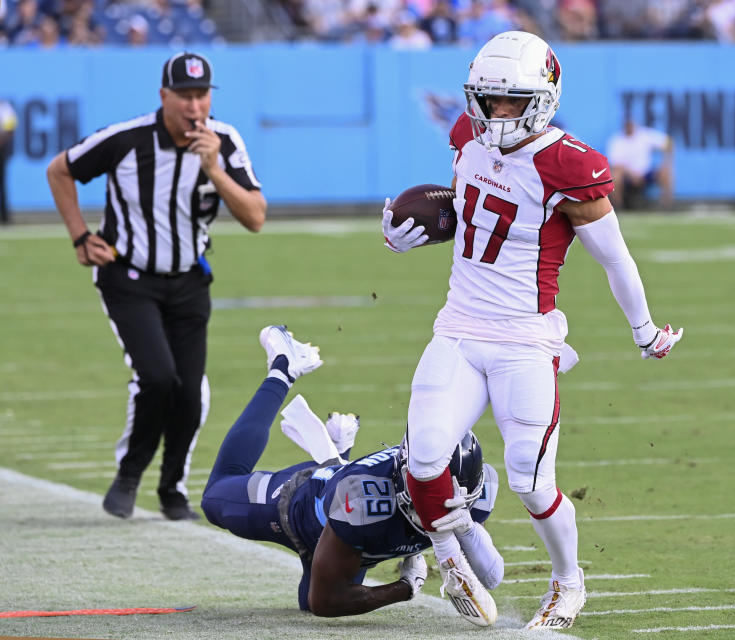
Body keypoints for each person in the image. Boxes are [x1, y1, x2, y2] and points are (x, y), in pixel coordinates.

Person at [381, 30, 683, 630]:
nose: (494, 113)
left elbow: (615, 259)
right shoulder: (465, 136)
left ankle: (569, 583)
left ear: (542, 98)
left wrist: (644, 330)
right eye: (485, 99)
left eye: (509, 101)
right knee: (423, 458)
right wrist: (402, 235)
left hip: (524, 339)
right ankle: (451, 563)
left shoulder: (567, 164)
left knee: (530, 478)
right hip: (460, 328)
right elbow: (461, 213)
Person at [46, 52, 267, 521]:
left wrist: (213, 170)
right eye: (184, 96)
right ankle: (129, 474)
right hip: (129, 278)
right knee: (158, 377)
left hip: (189, 280)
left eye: (201, 94)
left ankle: (171, 489)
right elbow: (60, 170)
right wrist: (80, 236)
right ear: (164, 96)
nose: (194, 106)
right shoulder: (126, 139)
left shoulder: (224, 142)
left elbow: (255, 217)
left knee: (189, 392)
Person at [201, 325, 504, 619]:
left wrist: (468, 530)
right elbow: (325, 601)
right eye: (428, 494)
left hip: (354, 540)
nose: (438, 508)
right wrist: (405, 588)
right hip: (300, 509)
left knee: (311, 602)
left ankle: (338, 453)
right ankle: (284, 368)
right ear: (403, 480)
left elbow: (489, 576)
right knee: (215, 497)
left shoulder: (477, 491)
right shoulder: (365, 501)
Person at [606, 118, 675, 210]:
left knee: (666, 171)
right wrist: (631, 174)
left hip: (646, 174)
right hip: (627, 176)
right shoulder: (617, 140)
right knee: (615, 175)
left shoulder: (645, 135)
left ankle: (666, 206)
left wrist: (665, 162)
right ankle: (618, 207)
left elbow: (668, 143)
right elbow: (615, 165)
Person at [0, 98, 17, 225]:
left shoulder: (4, 107)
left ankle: (4, 217)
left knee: (1, 182)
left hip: (1, 148)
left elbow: (10, 129)